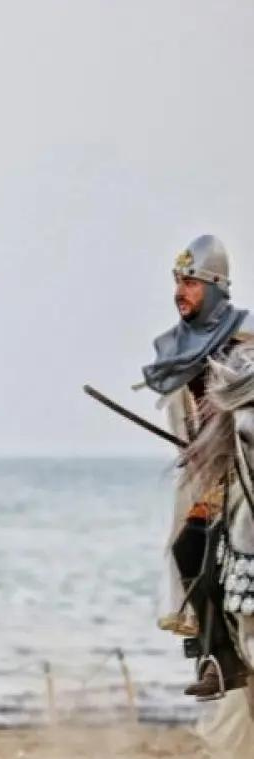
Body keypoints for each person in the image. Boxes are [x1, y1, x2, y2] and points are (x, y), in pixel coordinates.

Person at [146, 234, 251, 700]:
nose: (179, 291)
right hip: (215, 478)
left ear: (213, 286)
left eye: (189, 281)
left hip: (248, 464)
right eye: (177, 281)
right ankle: (219, 658)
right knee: (190, 547)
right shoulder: (179, 350)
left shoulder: (245, 343)